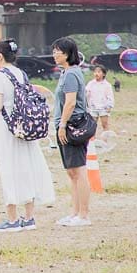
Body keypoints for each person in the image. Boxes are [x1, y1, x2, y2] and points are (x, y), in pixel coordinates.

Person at [0, 40, 55, 232]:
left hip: (6, 129)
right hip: (24, 126)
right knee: (26, 168)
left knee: (8, 170)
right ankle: (29, 218)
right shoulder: (21, 73)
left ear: (0, 56)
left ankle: (12, 220)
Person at [52, 37, 91, 227]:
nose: (54, 54)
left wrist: (62, 125)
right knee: (72, 172)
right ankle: (75, 213)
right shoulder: (67, 73)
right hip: (66, 126)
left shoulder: (70, 75)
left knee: (79, 170)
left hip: (71, 126)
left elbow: (71, 102)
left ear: (67, 54)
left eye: (57, 51)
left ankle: (83, 215)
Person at [86, 64, 115, 135]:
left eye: (99, 72)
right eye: (95, 72)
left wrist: (109, 106)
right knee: (92, 126)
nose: (96, 74)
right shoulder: (91, 83)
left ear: (104, 74)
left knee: (104, 124)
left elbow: (110, 96)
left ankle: (106, 141)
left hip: (103, 107)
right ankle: (92, 142)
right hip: (93, 107)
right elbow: (86, 93)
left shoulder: (107, 85)